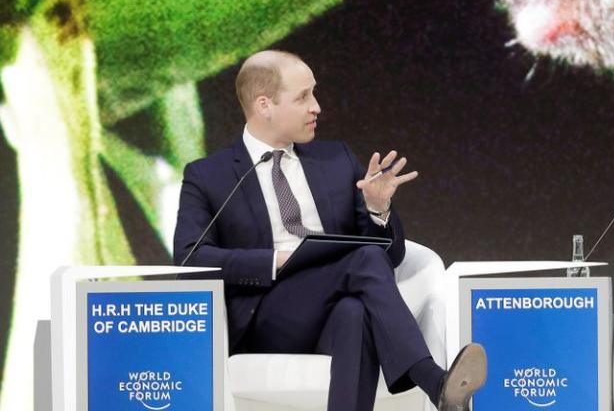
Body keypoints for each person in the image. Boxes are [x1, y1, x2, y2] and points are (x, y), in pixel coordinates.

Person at [173, 50, 486, 411]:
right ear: (264, 105)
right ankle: (432, 379)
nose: (316, 107)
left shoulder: (335, 158)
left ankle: (436, 384)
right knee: (364, 260)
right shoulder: (208, 175)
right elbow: (190, 259)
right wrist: (279, 260)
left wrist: (378, 209)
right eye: (303, 96)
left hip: (338, 301)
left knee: (355, 312)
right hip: (268, 315)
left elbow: (392, 258)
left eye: (314, 93)